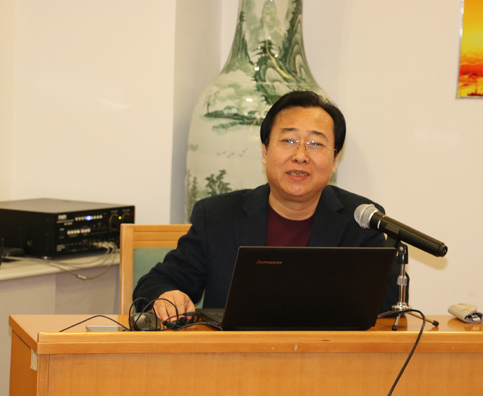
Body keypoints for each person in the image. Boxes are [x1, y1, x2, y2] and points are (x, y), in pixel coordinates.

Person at [133, 90, 401, 320]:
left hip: (326, 358)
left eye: (315, 144)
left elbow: (386, 311)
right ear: (265, 152)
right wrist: (166, 295)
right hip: (235, 357)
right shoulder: (217, 216)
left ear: (334, 160)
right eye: (288, 141)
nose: (300, 156)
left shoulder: (361, 220)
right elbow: (154, 284)